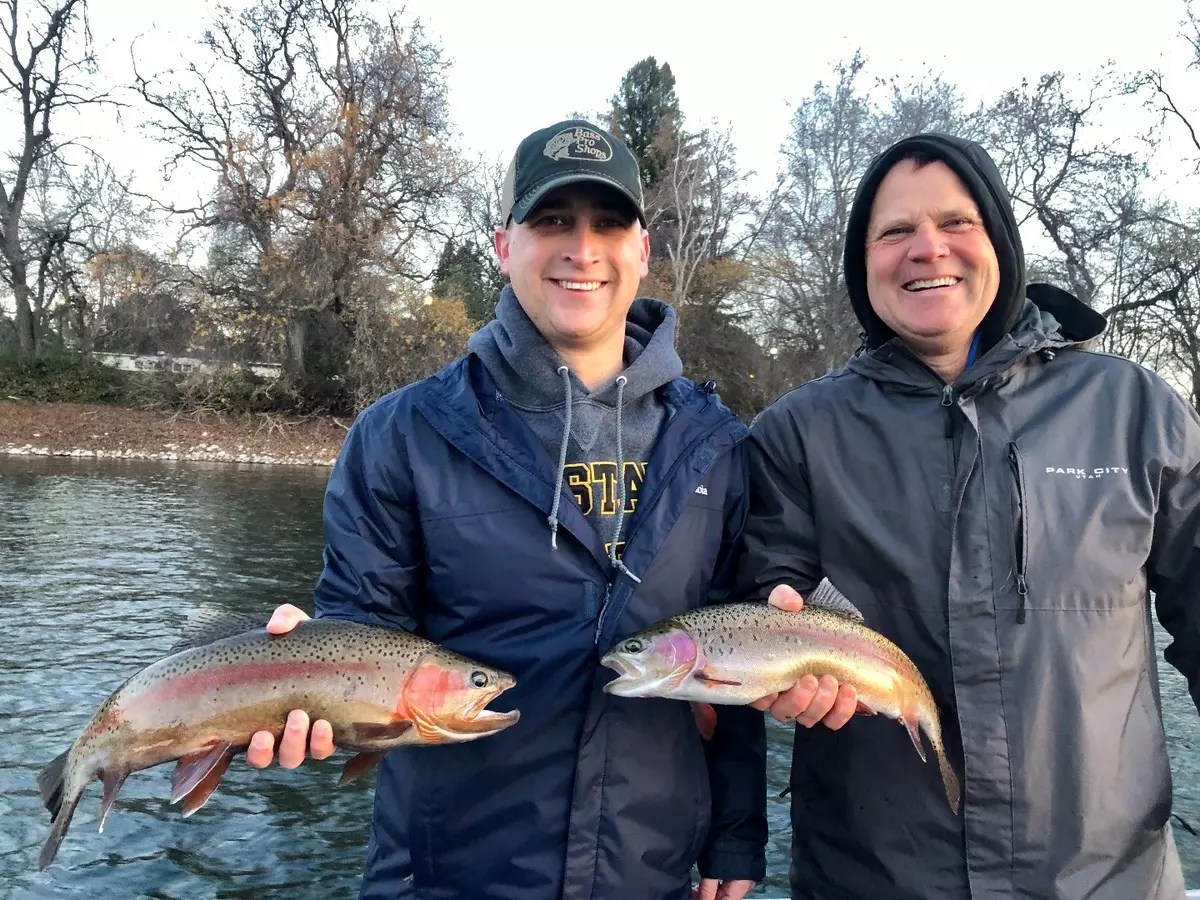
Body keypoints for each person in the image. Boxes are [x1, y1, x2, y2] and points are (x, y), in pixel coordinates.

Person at [245, 119, 767, 900]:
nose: (581, 249)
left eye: (607, 223)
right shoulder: (401, 435)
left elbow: (730, 660)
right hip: (442, 876)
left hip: (647, 875)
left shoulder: (719, 446)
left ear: (643, 250)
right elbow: (365, 628)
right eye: (552, 221)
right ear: (504, 245)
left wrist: (736, 838)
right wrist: (306, 673)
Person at [739, 132, 1200, 898]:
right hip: (873, 880)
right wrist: (773, 645)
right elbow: (765, 587)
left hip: (1108, 881)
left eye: (957, 223)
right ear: (863, 262)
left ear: (999, 243)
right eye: (895, 231)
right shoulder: (796, 433)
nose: (928, 249)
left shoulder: (1134, 409)